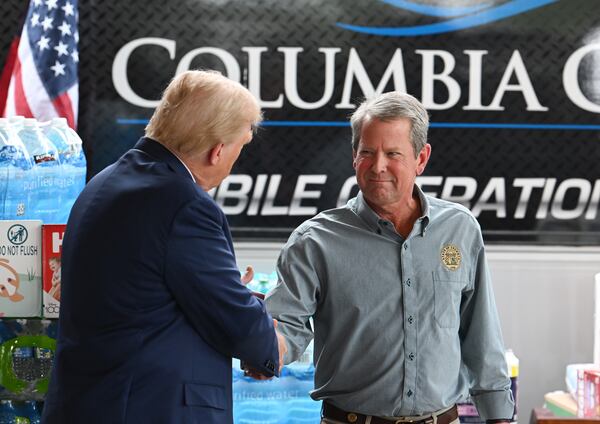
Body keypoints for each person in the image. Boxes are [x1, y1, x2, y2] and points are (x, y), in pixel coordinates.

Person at [42, 70, 286, 424]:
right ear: (217, 151)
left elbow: (146, 293)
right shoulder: (185, 205)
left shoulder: (105, 182)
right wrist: (268, 347)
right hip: (149, 407)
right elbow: (234, 321)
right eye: (240, 147)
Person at [265, 92, 514, 424]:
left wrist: (500, 417)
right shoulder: (315, 240)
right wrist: (259, 345)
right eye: (367, 152)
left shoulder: (460, 229)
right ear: (354, 156)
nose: (378, 166)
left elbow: (481, 335)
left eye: (393, 153)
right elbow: (286, 328)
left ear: (421, 159)